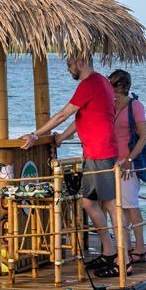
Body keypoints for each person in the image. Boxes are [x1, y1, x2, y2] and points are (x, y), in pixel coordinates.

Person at [20, 56, 119, 275]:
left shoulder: (90, 83)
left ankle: (121, 259)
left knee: (107, 205)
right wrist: (62, 137)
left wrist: (36, 134)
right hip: (98, 150)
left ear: (81, 61)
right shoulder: (101, 82)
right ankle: (110, 252)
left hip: (99, 151)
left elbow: (63, 114)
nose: (68, 69)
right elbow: (81, 118)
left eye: (69, 65)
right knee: (93, 203)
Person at [108, 69, 146, 265]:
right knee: (120, 207)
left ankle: (140, 247)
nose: (112, 89)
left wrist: (130, 160)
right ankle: (127, 246)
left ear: (123, 86)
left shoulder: (135, 106)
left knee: (131, 205)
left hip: (128, 163)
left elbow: (143, 136)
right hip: (113, 161)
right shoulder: (110, 105)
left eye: (114, 85)